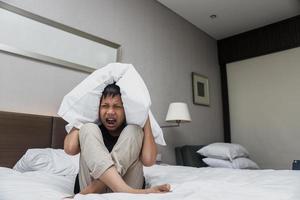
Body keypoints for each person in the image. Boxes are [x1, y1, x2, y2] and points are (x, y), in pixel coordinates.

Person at [64, 83, 170, 194]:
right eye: (105, 106)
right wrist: (84, 115)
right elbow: (70, 148)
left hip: (104, 191)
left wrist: (145, 113)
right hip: (105, 188)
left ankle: (90, 193)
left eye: (117, 106)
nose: (110, 112)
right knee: (88, 128)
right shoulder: (92, 131)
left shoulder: (133, 133)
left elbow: (148, 161)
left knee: (134, 130)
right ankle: (129, 191)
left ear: (126, 110)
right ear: (97, 109)